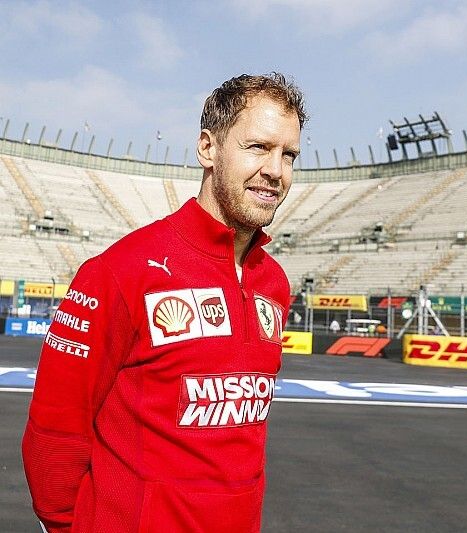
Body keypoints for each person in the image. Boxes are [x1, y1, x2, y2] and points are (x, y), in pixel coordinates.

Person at [21, 73, 305, 533]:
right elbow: (54, 432)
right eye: (257, 147)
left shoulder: (272, 282)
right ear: (208, 149)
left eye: (288, 154)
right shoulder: (119, 270)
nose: (276, 170)